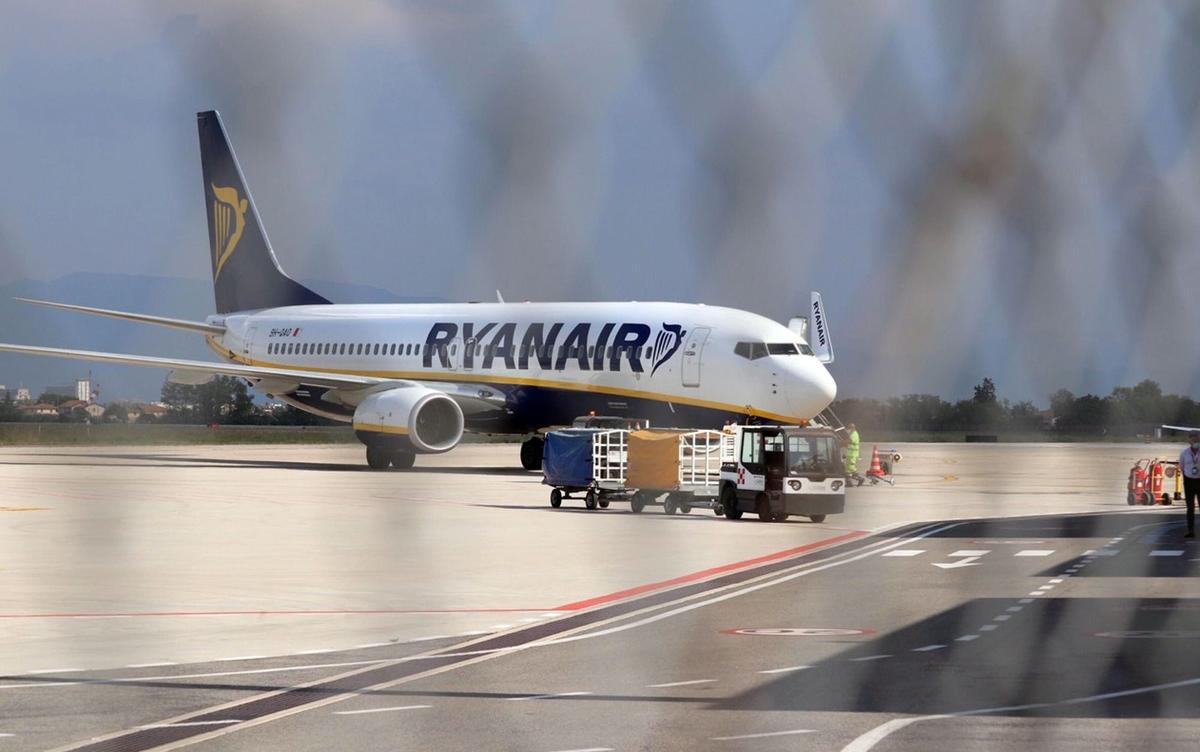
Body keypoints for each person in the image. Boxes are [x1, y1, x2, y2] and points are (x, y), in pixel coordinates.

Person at [1181, 431, 1200, 539]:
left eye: (1197, 440)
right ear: (1189, 440)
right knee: (1190, 508)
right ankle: (1190, 531)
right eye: (1193, 440)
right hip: (1189, 481)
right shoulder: (1184, 453)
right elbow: (1182, 467)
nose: (1195, 442)